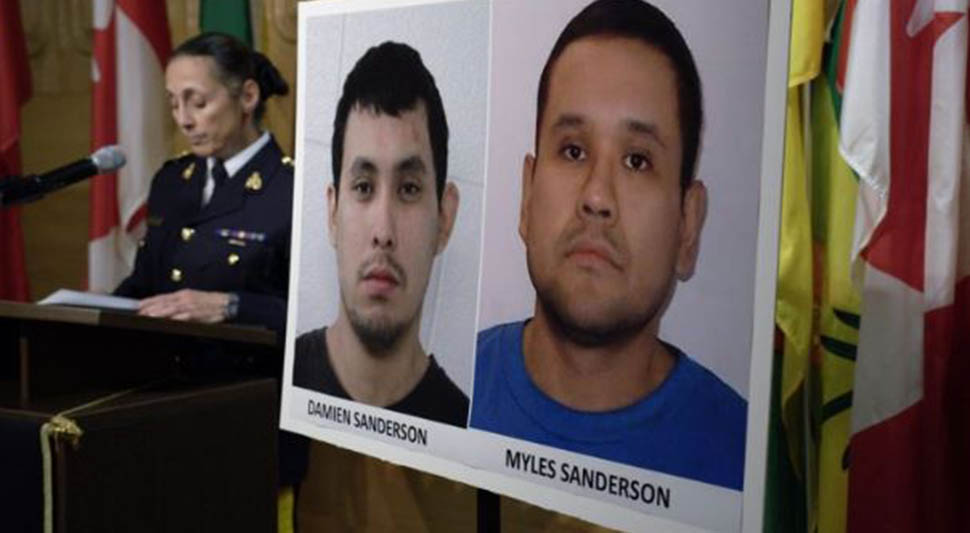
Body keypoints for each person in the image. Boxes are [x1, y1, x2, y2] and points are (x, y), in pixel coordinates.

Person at [470, 0, 747, 490]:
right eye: (573, 150)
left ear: (687, 225)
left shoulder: (745, 465)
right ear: (527, 196)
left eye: (637, 161)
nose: (597, 197)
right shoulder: (443, 394)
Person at [292, 42, 468, 427]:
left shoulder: (463, 428)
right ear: (332, 213)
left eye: (409, 189)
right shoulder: (279, 383)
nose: (383, 232)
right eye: (363, 187)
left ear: (444, 218)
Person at [114, 32, 292, 337]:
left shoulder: (291, 190)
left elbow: (317, 315)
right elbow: (144, 285)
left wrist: (232, 306)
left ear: (248, 97)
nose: (184, 120)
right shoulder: (171, 181)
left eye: (198, 102)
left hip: (245, 364)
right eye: (174, 103)